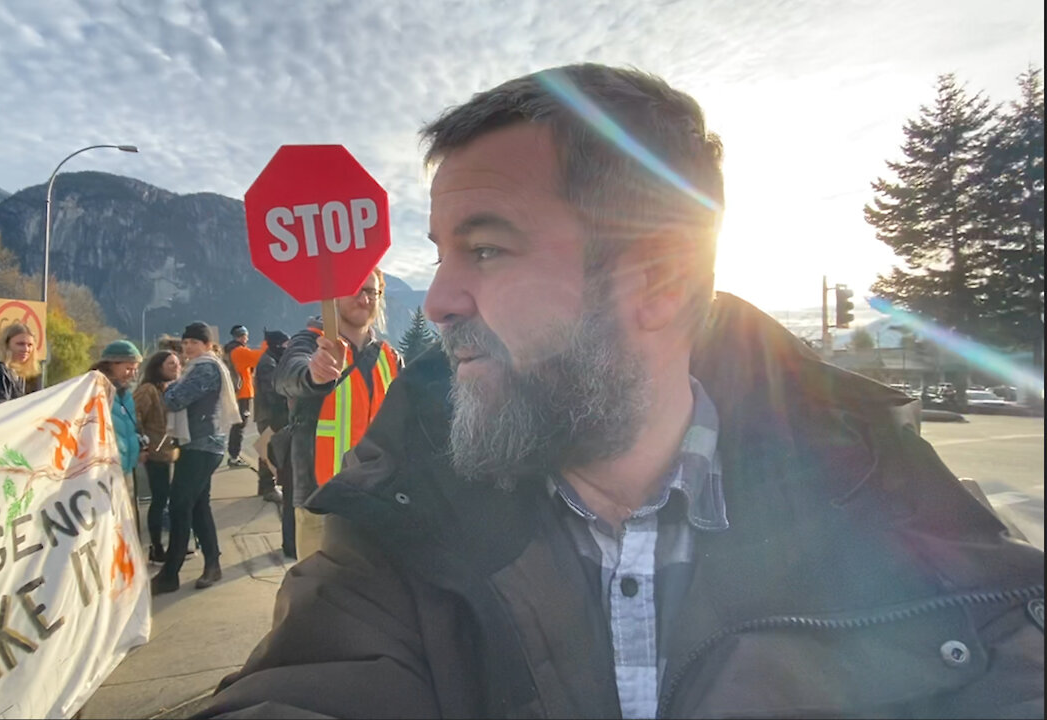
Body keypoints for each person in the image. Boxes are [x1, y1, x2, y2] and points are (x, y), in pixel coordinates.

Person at [197, 64, 1044, 718]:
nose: (444, 297)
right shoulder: (400, 513)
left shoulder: (877, 490)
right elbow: (311, 683)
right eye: (442, 253)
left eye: (485, 250)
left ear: (661, 281)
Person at [272, 268, 402, 560]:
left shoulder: (389, 356)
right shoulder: (310, 342)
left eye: (372, 291)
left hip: (375, 497)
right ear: (333, 296)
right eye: (355, 288)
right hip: (321, 500)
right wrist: (315, 374)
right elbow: (286, 375)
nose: (364, 298)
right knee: (318, 595)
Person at [156, 321, 241, 594]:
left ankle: (171, 573)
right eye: (186, 342)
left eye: (194, 342)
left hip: (200, 444)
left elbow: (175, 400)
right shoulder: (204, 366)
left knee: (180, 506)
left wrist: (168, 386)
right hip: (203, 443)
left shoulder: (204, 368)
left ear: (207, 345)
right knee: (197, 506)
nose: (188, 346)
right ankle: (212, 564)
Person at [90, 340, 145, 536]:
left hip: (126, 467)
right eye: (128, 368)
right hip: (106, 471)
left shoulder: (125, 393)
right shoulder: (95, 390)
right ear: (111, 364)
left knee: (127, 520)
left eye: (135, 369)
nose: (132, 374)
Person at [134, 349, 182, 563]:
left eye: (177, 364)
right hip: (155, 453)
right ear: (158, 367)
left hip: (169, 452)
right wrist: (142, 447)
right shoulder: (148, 390)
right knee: (159, 499)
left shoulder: (169, 389)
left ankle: (174, 544)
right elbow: (135, 418)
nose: (176, 368)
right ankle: (156, 547)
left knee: (170, 499)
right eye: (171, 364)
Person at [253, 330, 291, 549]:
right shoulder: (267, 362)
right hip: (269, 413)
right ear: (276, 344)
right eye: (284, 344)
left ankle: (264, 485)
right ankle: (268, 487)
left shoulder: (271, 358)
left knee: (266, 449)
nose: (286, 347)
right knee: (268, 449)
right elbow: (272, 390)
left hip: (270, 413)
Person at [222, 324, 265, 469]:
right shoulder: (239, 351)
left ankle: (234, 455)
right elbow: (259, 358)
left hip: (236, 392)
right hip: (242, 392)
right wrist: (266, 344)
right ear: (243, 336)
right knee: (239, 425)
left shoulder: (229, 350)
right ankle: (234, 456)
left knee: (237, 425)